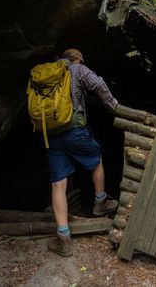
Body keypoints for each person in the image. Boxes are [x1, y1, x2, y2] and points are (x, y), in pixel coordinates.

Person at [44, 48, 119, 257]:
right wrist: (113, 105)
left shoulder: (48, 73)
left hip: (50, 135)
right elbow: (99, 84)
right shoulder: (77, 69)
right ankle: (100, 201)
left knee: (58, 183)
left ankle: (63, 239)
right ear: (77, 59)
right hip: (74, 130)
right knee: (96, 159)